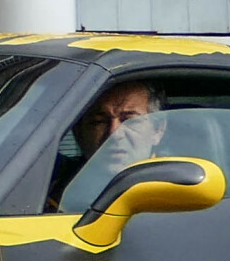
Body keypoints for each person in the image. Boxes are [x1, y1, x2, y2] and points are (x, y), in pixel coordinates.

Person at [50, 79, 166, 210]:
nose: (114, 133)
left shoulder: (180, 187)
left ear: (157, 130)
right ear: (78, 132)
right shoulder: (51, 192)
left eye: (129, 121)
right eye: (99, 121)